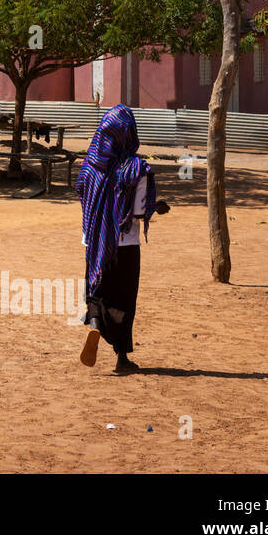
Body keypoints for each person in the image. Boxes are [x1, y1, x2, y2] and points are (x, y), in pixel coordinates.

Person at [75, 104, 169, 372]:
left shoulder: (89, 166)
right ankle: (122, 358)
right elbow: (138, 212)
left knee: (97, 288)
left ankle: (95, 323)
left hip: (95, 242)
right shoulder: (135, 169)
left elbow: (81, 193)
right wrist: (156, 207)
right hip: (125, 245)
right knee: (125, 300)